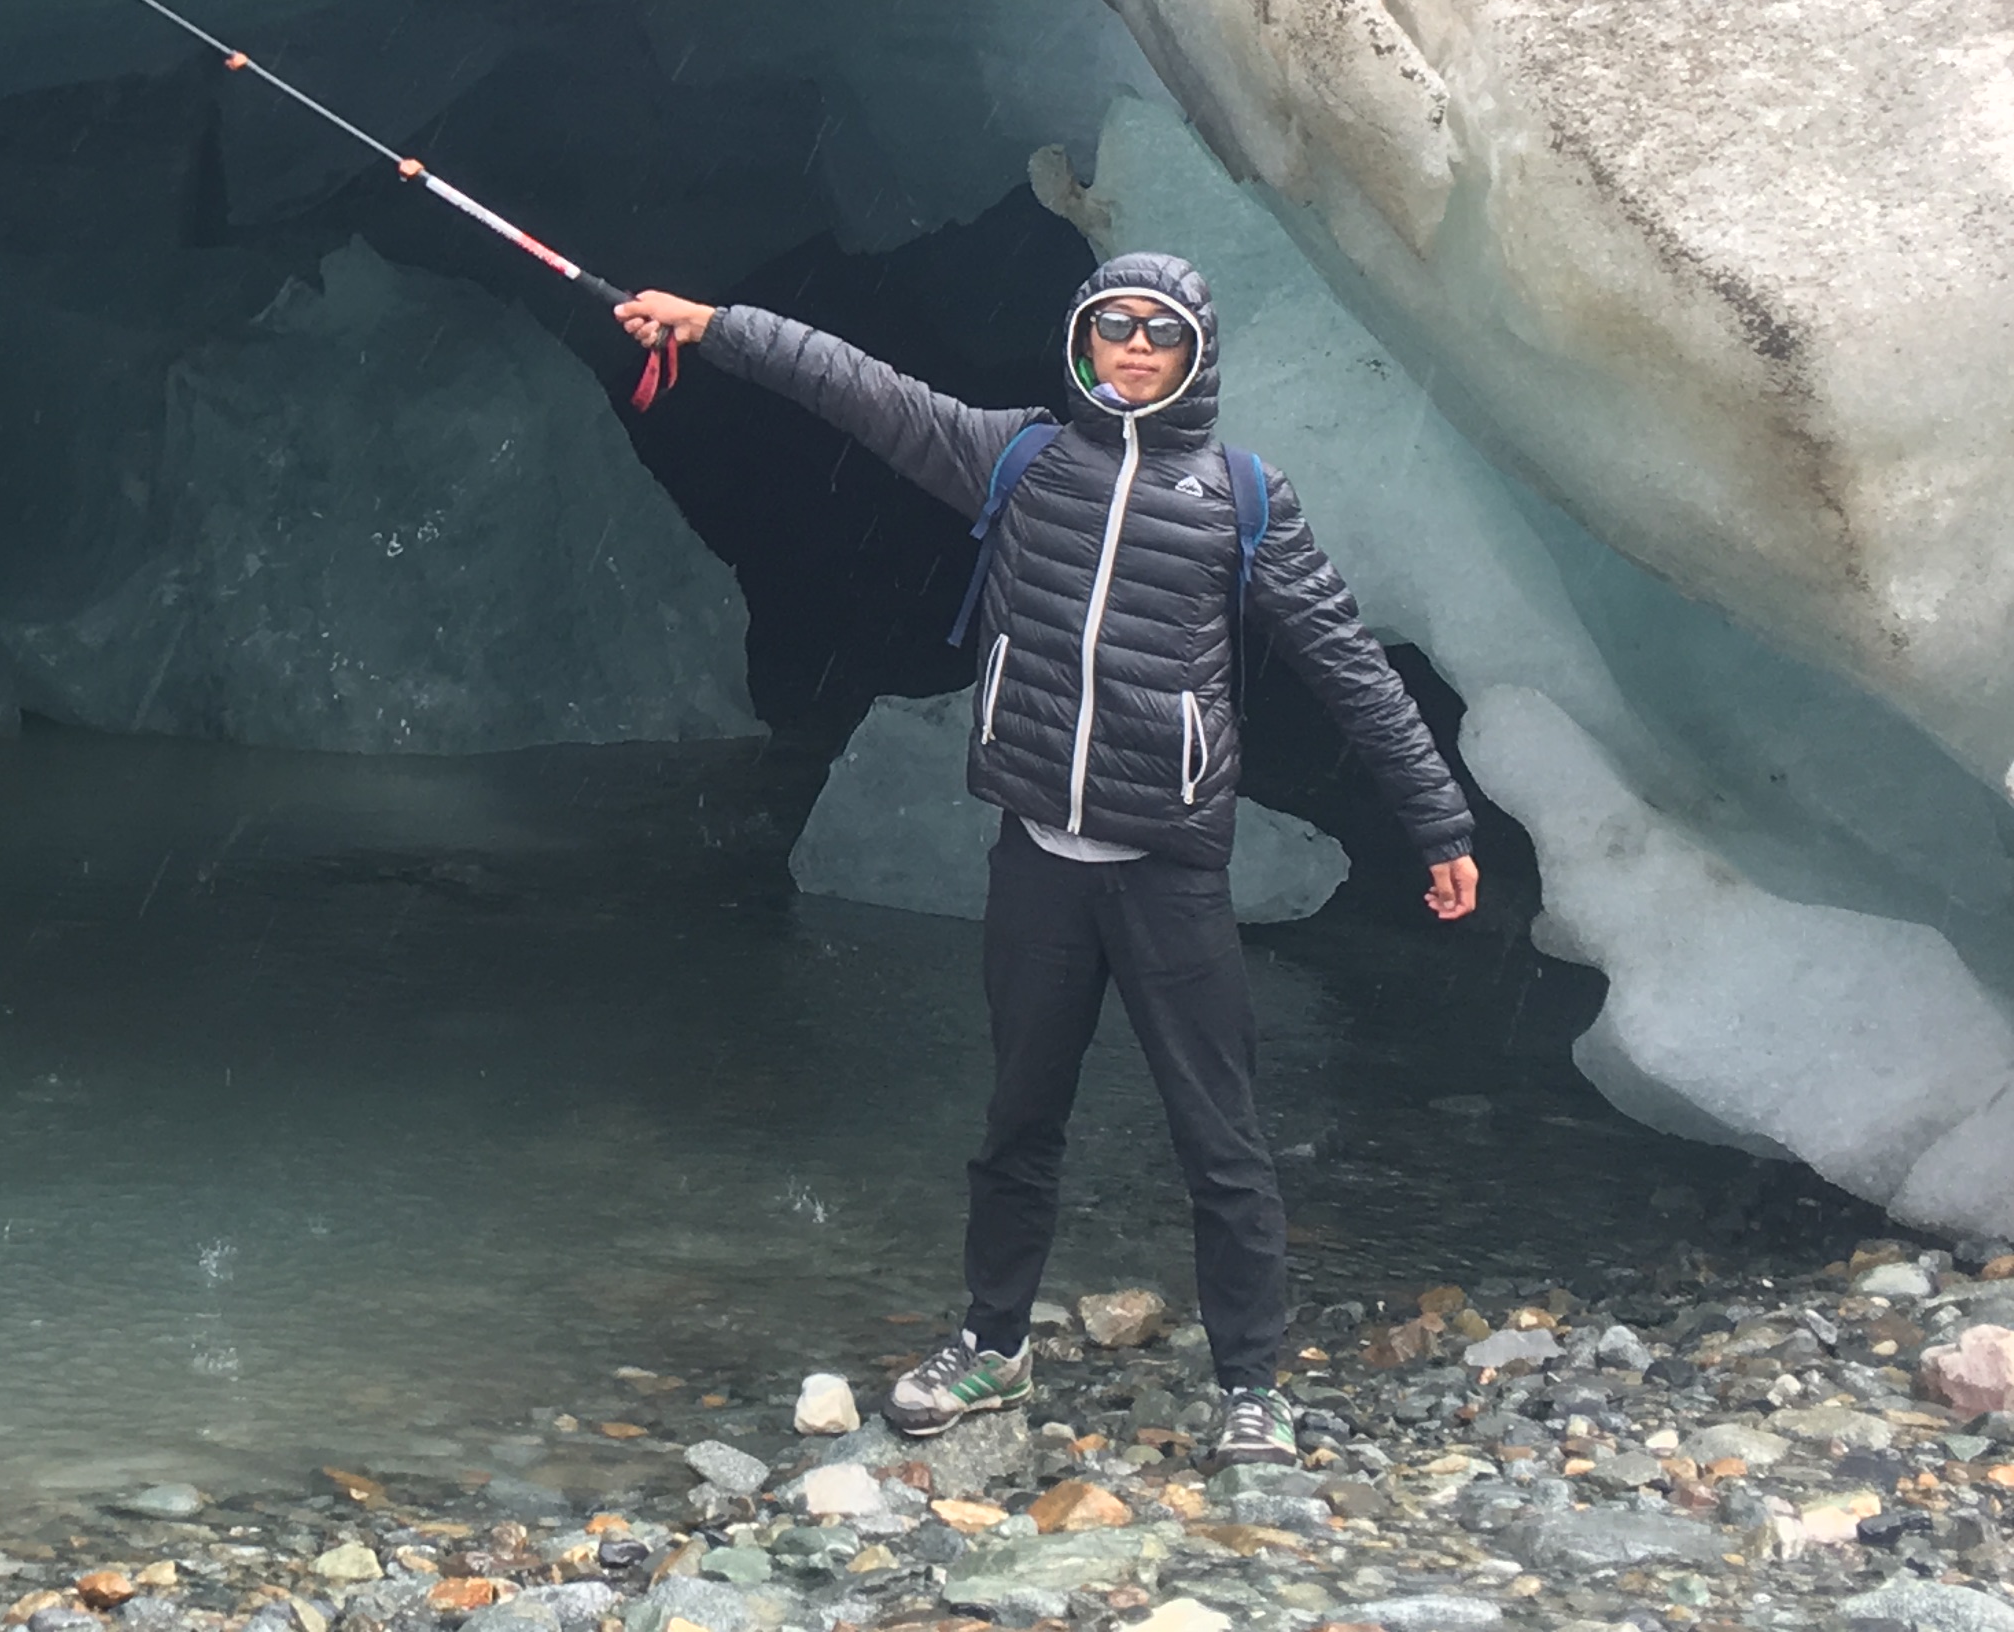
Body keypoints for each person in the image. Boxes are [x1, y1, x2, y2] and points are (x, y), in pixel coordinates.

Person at [612, 250, 1479, 1469]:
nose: (1136, 348)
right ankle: (993, 1344)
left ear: (1195, 356)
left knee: (1221, 1139)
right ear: (1083, 341)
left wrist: (1439, 825)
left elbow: (1351, 666)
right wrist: (717, 325)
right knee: (1019, 1120)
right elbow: (857, 388)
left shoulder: (1241, 499)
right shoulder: (1016, 456)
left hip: (1168, 870)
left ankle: (1253, 1387)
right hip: (1038, 861)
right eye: (1116, 326)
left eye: (1161, 333)